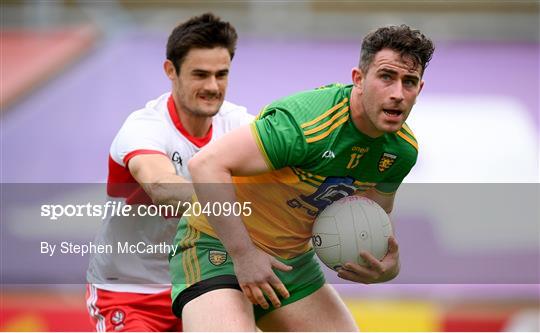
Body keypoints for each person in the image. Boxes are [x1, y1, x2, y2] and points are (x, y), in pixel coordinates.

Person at [170, 24, 435, 331]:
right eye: (386, 77)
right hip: (216, 247)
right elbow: (206, 165)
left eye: (409, 82)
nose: (397, 94)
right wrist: (243, 254)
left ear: (420, 89)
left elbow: (372, 214)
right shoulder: (305, 124)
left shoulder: (401, 151)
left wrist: (388, 265)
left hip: (292, 264)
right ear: (359, 79)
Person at [85, 13, 253, 332]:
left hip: (202, 284)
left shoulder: (239, 124)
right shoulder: (143, 127)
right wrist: (237, 203)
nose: (212, 87)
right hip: (128, 291)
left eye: (222, 75)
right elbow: (161, 187)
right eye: (200, 74)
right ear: (170, 71)